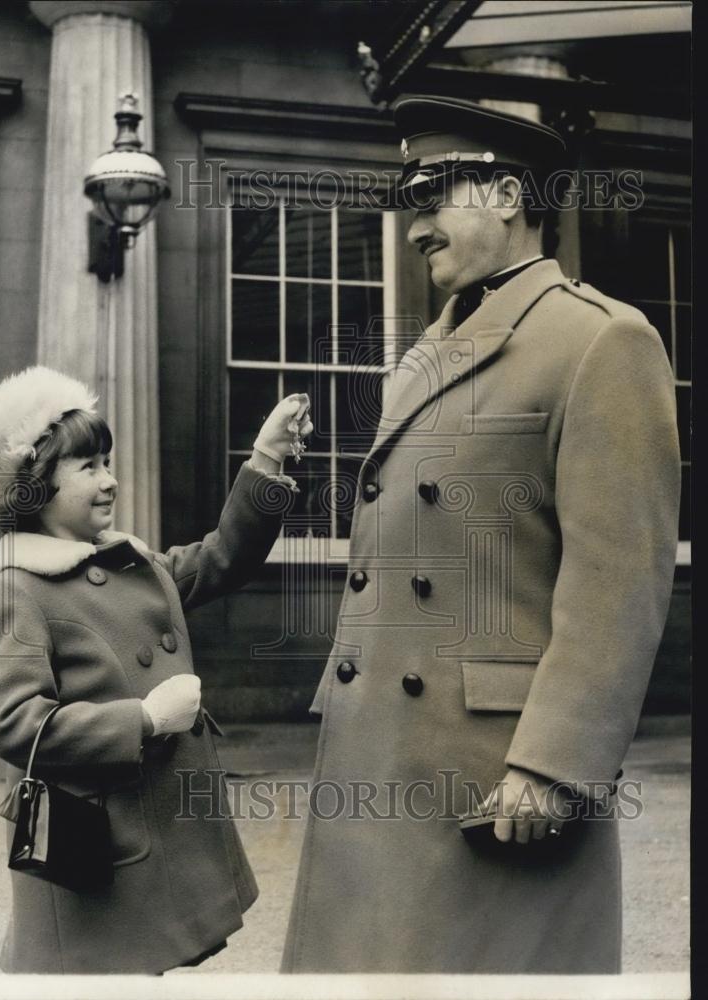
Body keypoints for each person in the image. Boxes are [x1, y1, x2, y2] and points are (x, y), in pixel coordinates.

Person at [281, 96, 680, 974]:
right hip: (382, 752)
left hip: (493, 772)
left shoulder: (600, 340)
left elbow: (618, 579)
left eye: (432, 195)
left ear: (506, 193)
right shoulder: (426, 353)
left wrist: (553, 763)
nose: (415, 224)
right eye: (407, 202)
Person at [0, 365, 312, 974]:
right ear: (34, 488)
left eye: (107, 462)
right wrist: (142, 719)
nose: (111, 481)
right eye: (89, 467)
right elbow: (15, 725)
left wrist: (266, 459)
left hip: (151, 825)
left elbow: (222, 557)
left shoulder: (130, 563)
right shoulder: (19, 591)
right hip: (96, 840)